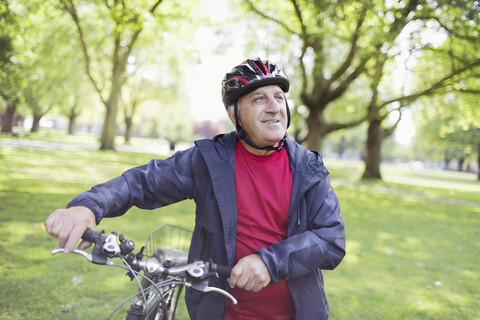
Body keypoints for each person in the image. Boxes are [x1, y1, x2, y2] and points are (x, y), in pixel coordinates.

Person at [44, 58, 346, 320]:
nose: (274, 108)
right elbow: (143, 182)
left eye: (279, 97)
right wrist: (87, 205)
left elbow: (331, 239)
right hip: (221, 312)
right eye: (258, 99)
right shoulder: (210, 161)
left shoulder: (309, 168)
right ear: (234, 114)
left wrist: (270, 261)